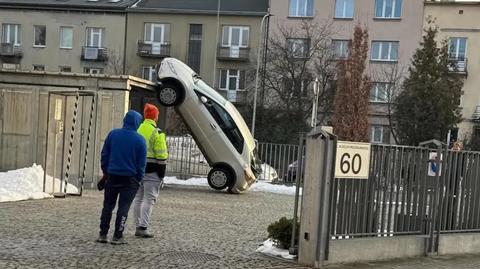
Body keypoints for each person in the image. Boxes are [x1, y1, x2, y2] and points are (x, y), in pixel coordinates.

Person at [97, 110, 147, 245]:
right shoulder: (140, 140)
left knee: (107, 206)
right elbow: (141, 164)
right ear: (137, 123)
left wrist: (106, 172)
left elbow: (104, 155)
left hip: (112, 176)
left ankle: (103, 234)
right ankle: (118, 236)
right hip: (130, 179)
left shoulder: (113, 134)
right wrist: (138, 178)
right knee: (123, 207)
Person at [132, 103, 169, 238]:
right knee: (149, 198)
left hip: (137, 169)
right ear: (155, 117)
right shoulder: (157, 132)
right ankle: (143, 227)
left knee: (138, 198)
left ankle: (137, 225)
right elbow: (161, 154)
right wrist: (162, 172)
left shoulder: (137, 129)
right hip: (152, 170)